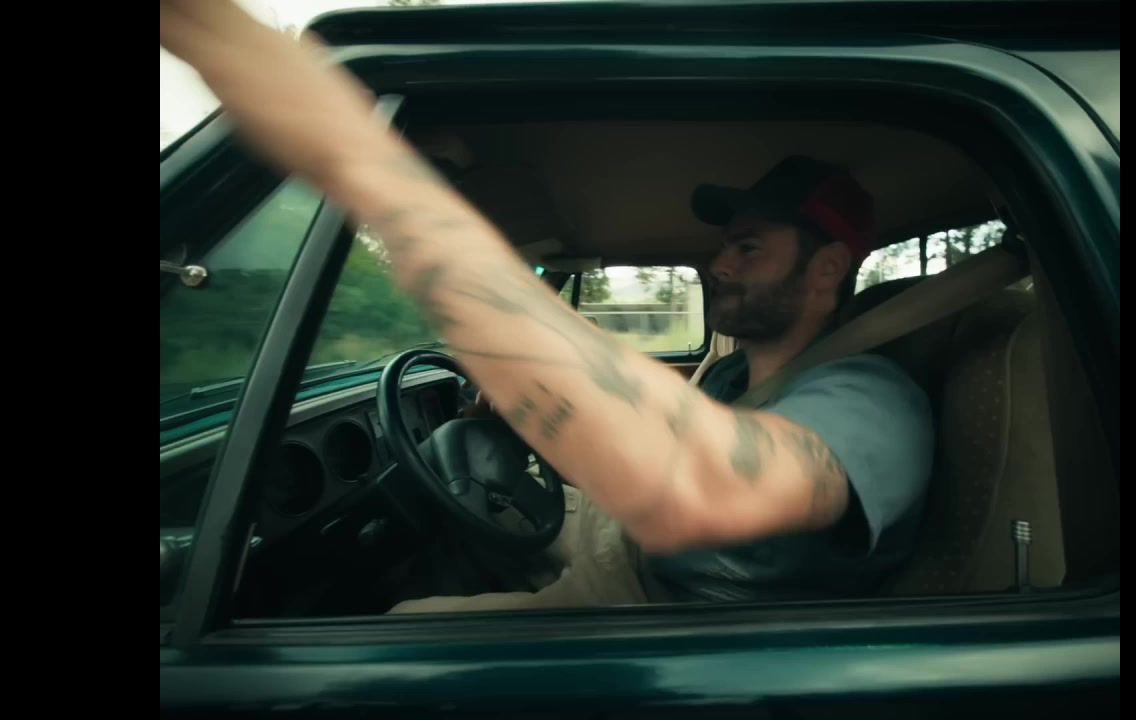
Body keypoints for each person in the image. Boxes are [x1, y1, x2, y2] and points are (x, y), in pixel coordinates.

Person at [158, 0, 934, 611]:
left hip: (671, 617)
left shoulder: (871, 396)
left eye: (749, 247)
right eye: (725, 244)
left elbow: (708, 485)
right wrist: (527, 417)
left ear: (827, 268)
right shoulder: (736, 378)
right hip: (637, 560)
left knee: (397, 628)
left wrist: (361, 161)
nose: (719, 263)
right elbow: (656, 449)